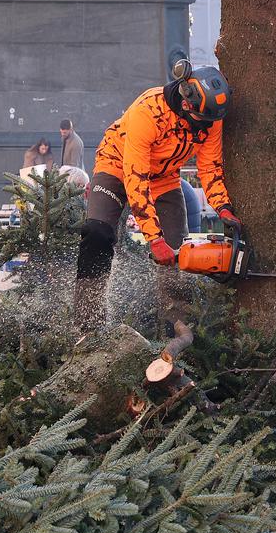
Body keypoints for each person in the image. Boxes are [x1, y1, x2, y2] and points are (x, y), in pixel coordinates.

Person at [74, 63, 237, 336]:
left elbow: (209, 168)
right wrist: (153, 239)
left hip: (164, 177)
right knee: (97, 232)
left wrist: (223, 207)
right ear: (187, 104)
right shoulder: (148, 111)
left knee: (178, 249)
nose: (207, 127)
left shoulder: (211, 120)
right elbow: (135, 177)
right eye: (203, 120)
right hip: (118, 163)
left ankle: (175, 328)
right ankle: (87, 322)